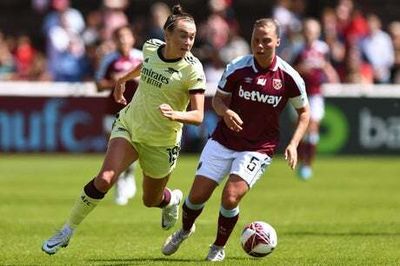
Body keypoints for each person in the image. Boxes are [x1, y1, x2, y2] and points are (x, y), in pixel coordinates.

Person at [42, 4, 206, 255]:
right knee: (105, 178)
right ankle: (67, 230)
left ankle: (171, 199)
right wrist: (122, 80)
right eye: (183, 35)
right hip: (129, 125)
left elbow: (198, 115)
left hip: (162, 141)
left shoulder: (192, 70)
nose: (188, 41)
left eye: (192, 36)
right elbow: (146, 65)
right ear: (167, 35)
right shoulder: (151, 47)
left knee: (150, 200)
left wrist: (176, 114)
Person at [162, 18, 310, 261]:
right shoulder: (237, 67)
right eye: (255, 40)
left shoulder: (289, 76)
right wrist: (226, 112)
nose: (259, 46)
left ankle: (218, 247)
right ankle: (185, 230)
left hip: (258, 148)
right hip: (223, 140)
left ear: (278, 42)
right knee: (196, 197)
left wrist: (293, 144)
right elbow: (218, 100)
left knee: (230, 197)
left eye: (266, 41)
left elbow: (305, 113)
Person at [95, 25, 143, 205]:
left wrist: (135, 79)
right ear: (115, 40)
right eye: (119, 37)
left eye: (126, 36)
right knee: (113, 149)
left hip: (136, 111)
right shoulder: (109, 59)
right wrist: (114, 82)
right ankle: (120, 183)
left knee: (132, 147)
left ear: (132, 38)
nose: (123, 40)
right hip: (113, 110)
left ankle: (128, 175)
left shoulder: (141, 57)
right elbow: (99, 85)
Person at [293, 18, 339, 180]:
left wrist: (331, 75)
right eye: (307, 30)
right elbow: (290, 70)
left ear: (317, 33)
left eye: (312, 31)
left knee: (313, 126)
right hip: (299, 94)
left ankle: (308, 164)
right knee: (301, 129)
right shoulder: (297, 49)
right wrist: (302, 68)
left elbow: (327, 66)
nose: (309, 34)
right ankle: (300, 160)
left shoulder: (322, 49)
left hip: (316, 93)